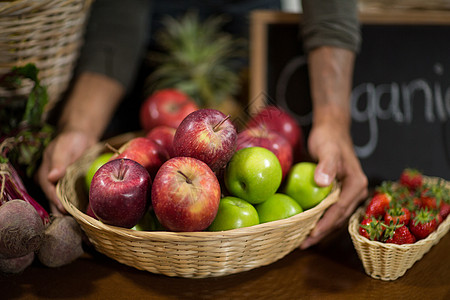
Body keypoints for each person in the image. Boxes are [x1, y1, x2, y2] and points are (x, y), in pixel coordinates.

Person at [37, 0, 368, 249]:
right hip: (150, 35)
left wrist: (333, 121)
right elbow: (119, 13)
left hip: (250, 27)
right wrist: (79, 126)